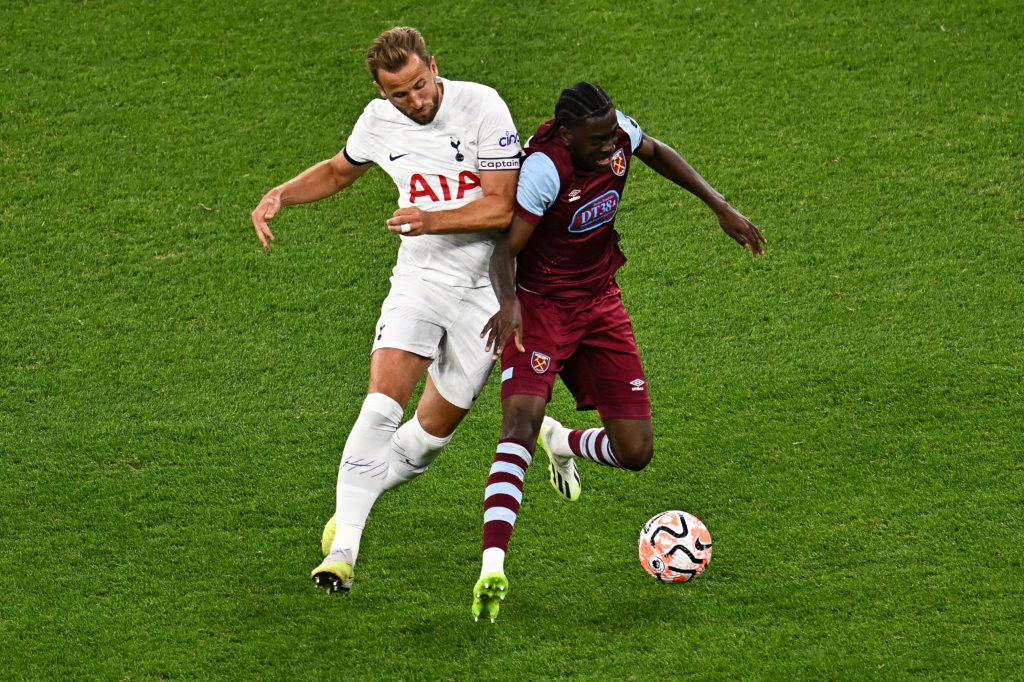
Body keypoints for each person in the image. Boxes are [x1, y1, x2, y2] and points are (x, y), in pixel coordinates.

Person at [470, 81, 765, 621]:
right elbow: (502, 249)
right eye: (599, 142)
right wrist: (509, 301)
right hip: (540, 307)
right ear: (567, 134)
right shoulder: (545, 169)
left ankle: (566, 441)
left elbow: (652, 148)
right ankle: (493, 564)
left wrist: (718, 204)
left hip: (601, 301)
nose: (612, 149)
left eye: (613, 136)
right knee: (518, 426)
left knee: (636, 452)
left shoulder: (614, 131)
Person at [251, 27, 522, 595]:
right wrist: (283, 193)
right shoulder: (378, 121)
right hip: (420, 278)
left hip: (488, 292)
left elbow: (501, 208)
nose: (415, 102)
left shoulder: (483, 105)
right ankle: (343, 550)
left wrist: (431, 218)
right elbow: (338, 170)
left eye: (420, 86)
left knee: (427, 439)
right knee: (380, 406)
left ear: (433, 66)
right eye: (400, 95)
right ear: (382, 91)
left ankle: (358, 494)